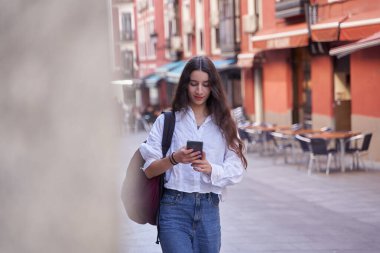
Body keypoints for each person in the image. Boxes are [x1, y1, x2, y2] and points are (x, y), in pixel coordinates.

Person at [139, 56, 247, 253]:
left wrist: (211, 168)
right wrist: (174, 159)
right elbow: (148, 170)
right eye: (194, 84)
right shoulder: (167, 121)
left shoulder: (224, 122)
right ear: (185, 85)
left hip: (209, 209)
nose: (199, 91)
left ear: (213, 86)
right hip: (173, 209)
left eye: (205, 84)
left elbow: (237, 169)